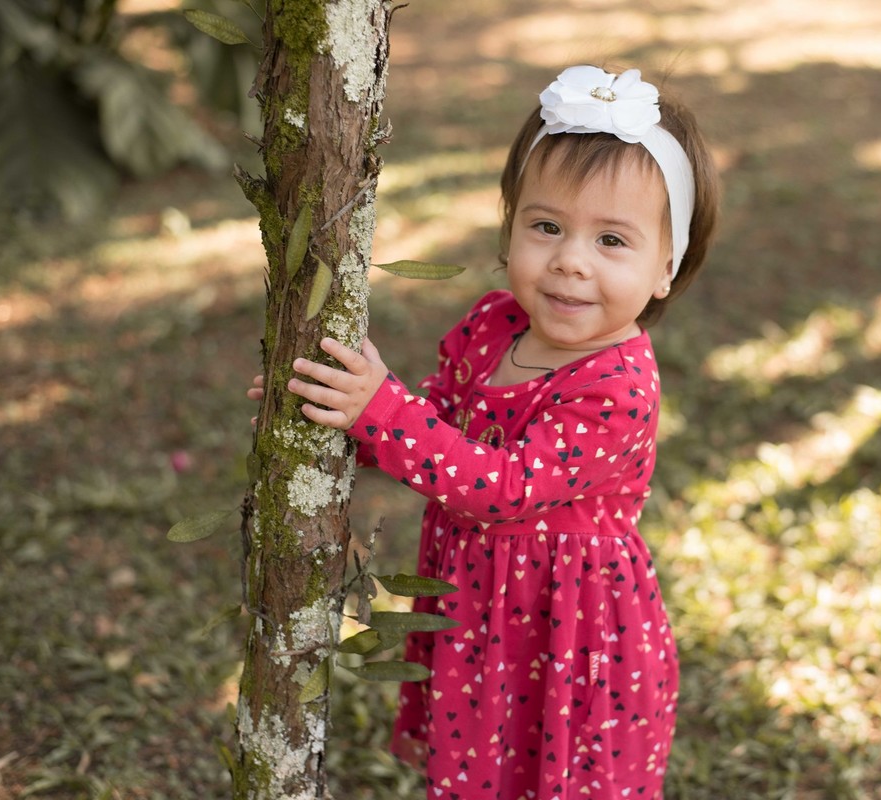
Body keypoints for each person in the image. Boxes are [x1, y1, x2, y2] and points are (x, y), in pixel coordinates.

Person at [251, 64, 719, 799]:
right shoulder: (492, 323)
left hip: (573, 635)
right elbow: (437, 437)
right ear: (510, 228)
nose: (569, 259)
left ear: (668, 265)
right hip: (483, 613)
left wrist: (382, 407)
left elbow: (497, 488)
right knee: (484, 775)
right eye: (546, 226)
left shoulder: (618, 387)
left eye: (612, 241)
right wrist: (337, 409)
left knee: (562, 779)